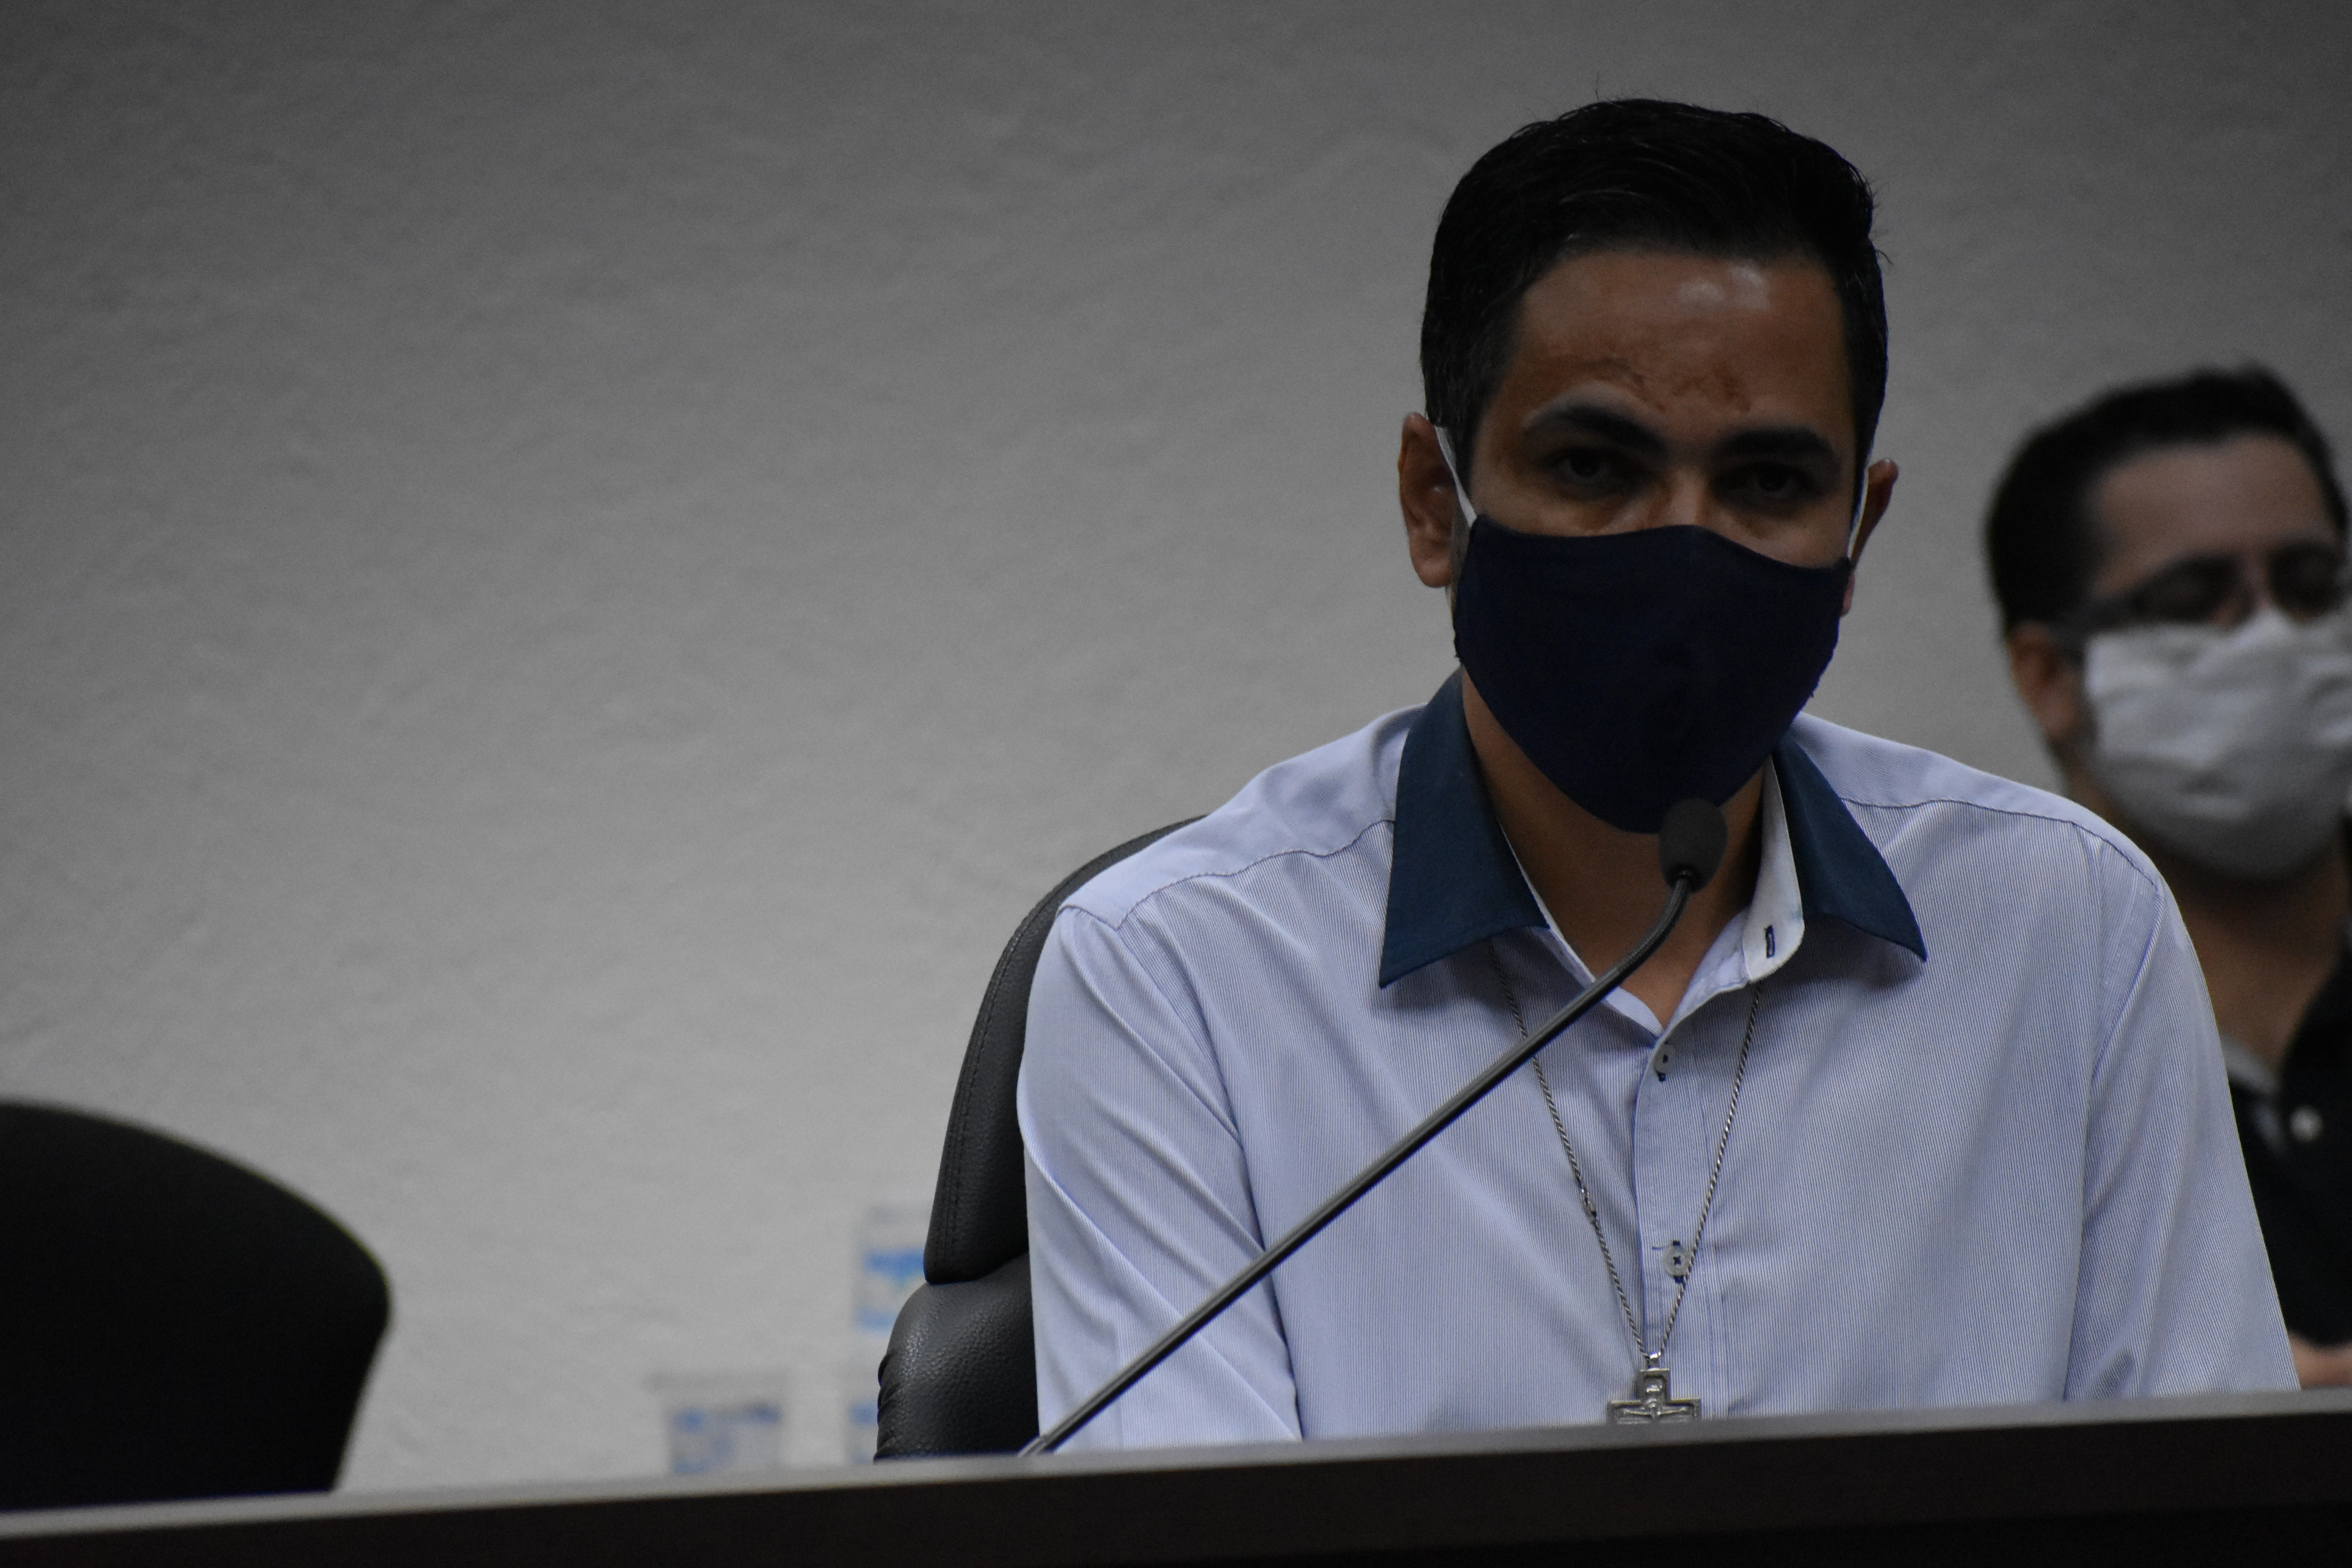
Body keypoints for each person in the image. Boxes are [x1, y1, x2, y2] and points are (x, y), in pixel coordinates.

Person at [1019, 100, 2294, 1451]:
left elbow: (2204, 1500)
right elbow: (1196, 1535)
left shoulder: (2071, 927)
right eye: (1593, 466)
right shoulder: (1180, 969)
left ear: (1857, 535)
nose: (1684, 548)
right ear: (1434, 503)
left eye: (1768, 482)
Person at [1988, 367, 2352, 1387]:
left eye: (2311, 586)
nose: (2275, 637)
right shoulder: (1975, 1030)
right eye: (2196, 602)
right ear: (2051, 676)